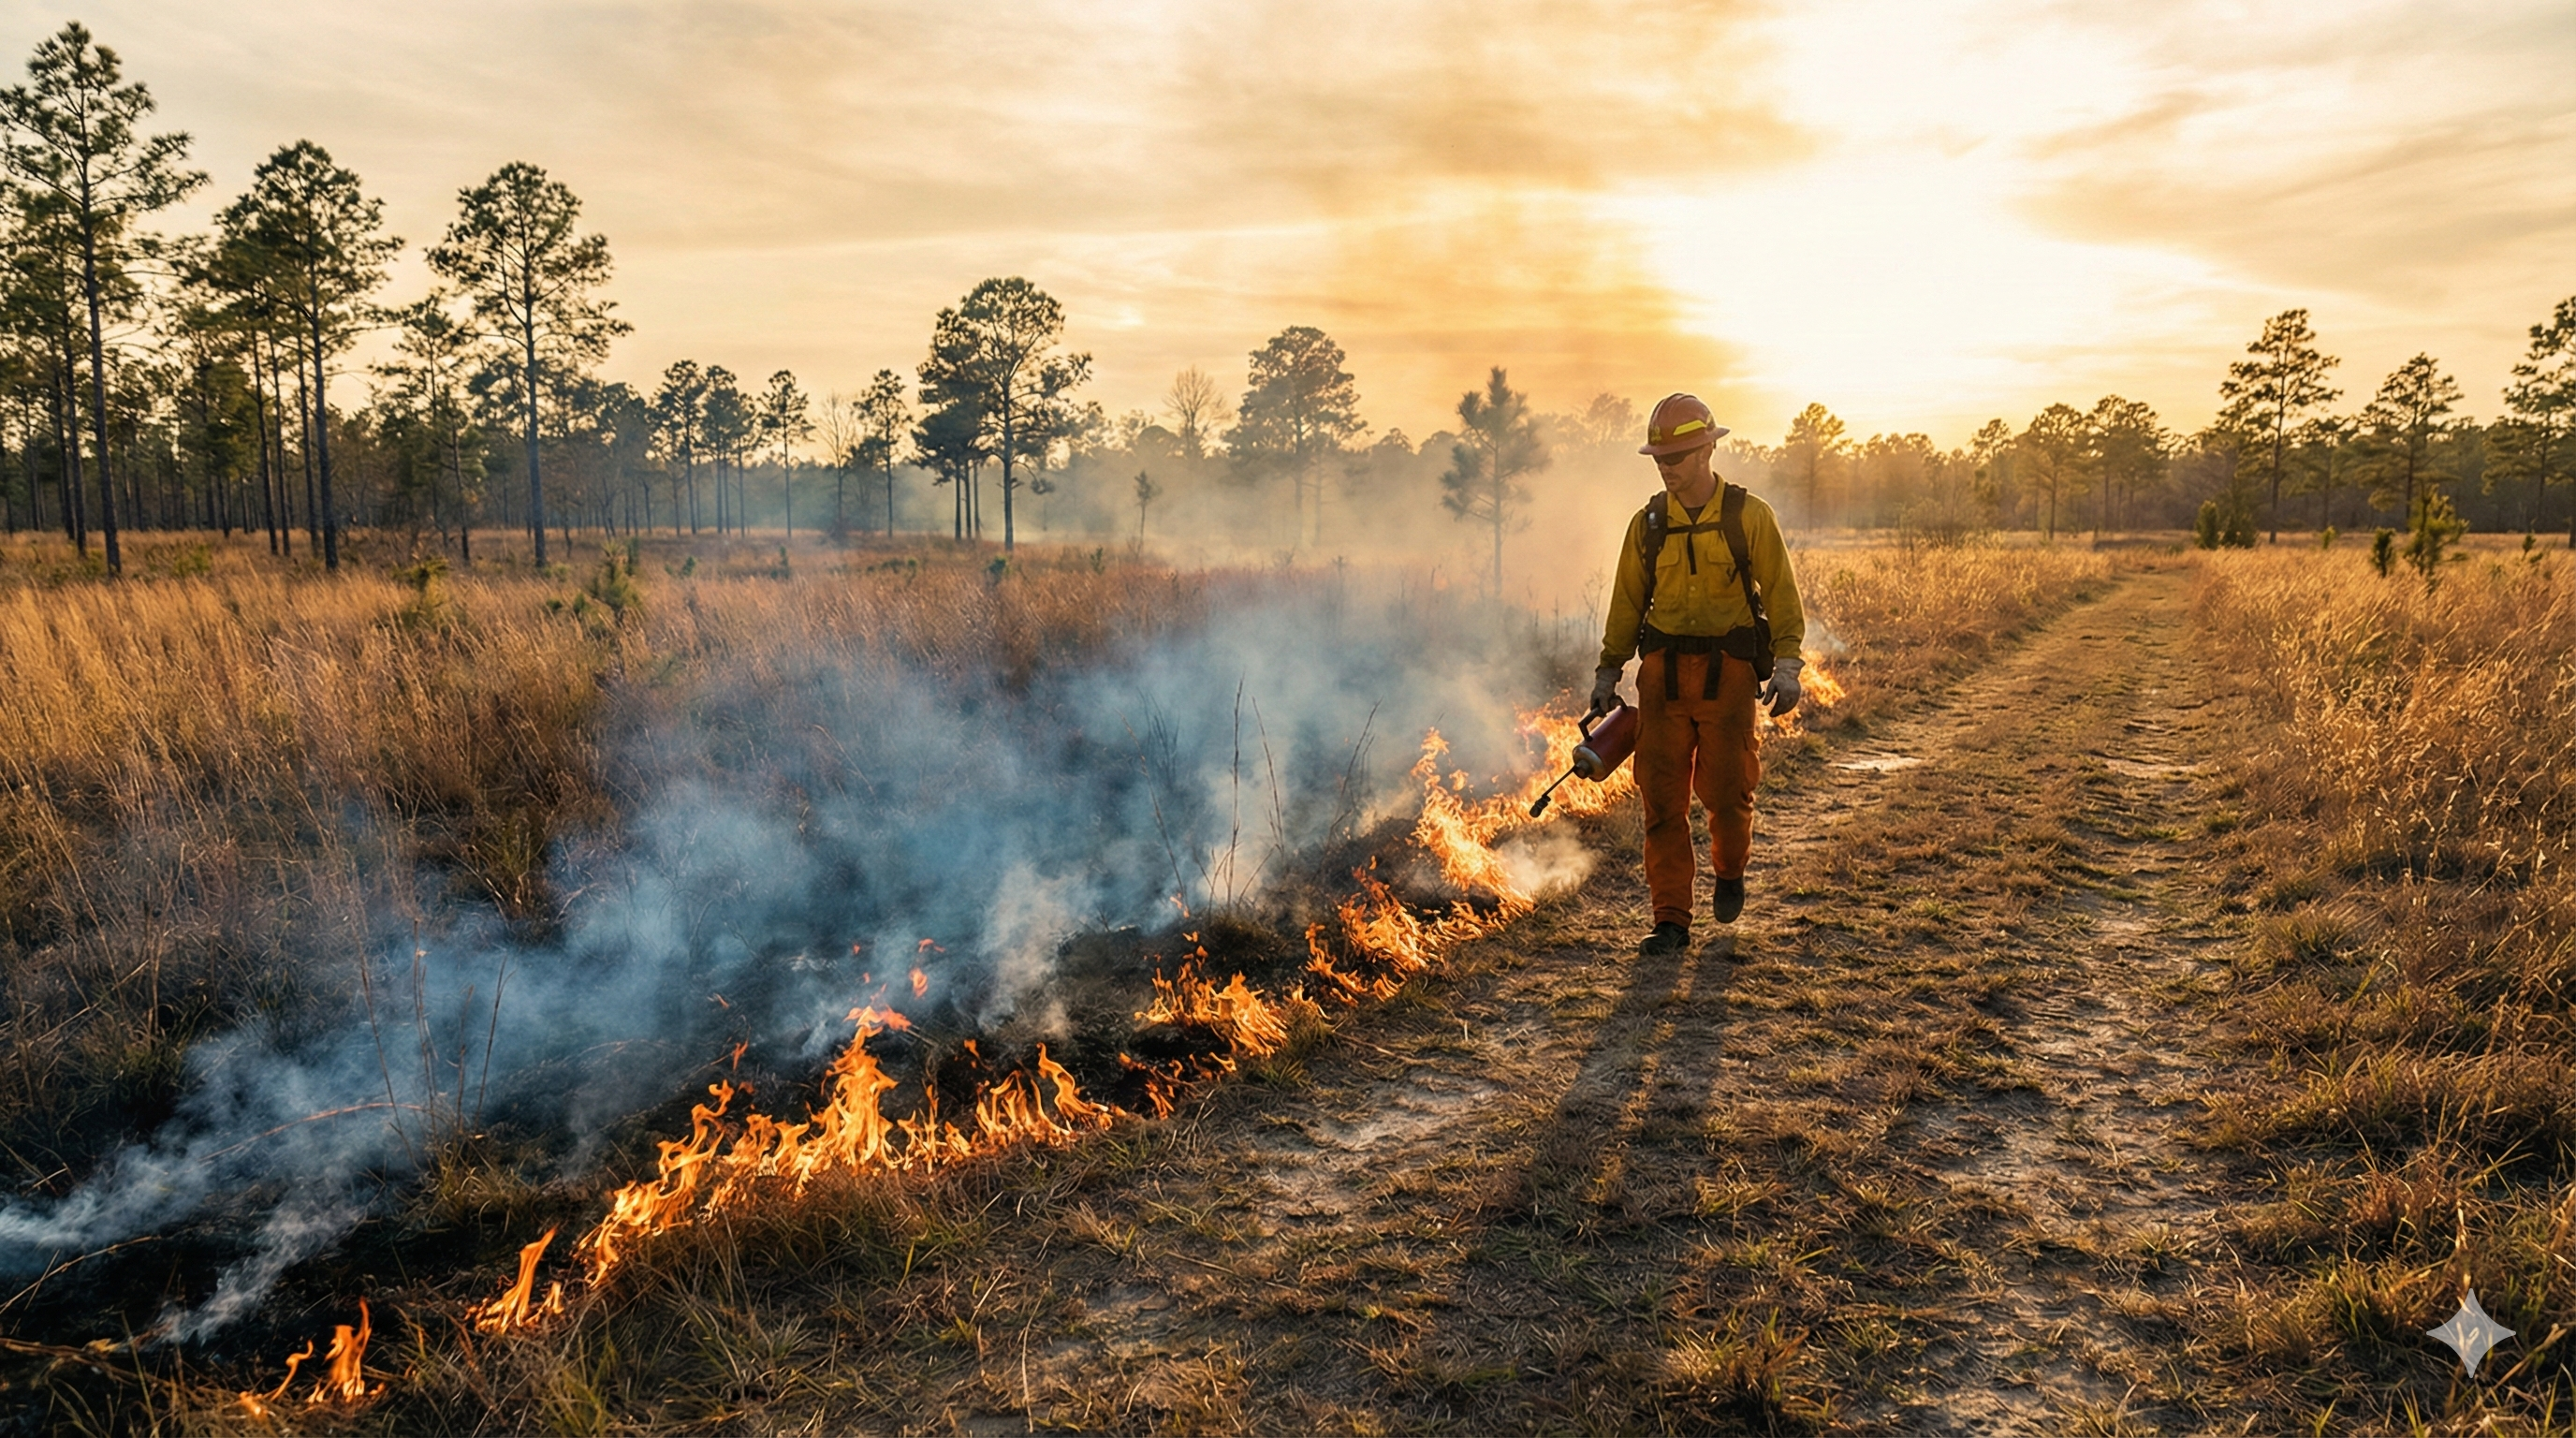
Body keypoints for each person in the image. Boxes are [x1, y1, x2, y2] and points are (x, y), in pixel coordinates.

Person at [1589, 393, 1806, 955]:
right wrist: (1607, 671)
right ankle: (1670, 921)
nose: (1668, 468)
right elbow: (1625, 603)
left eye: (1679, 457)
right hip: (1660, 679)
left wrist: (1787, 664)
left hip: (1728, 677)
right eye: (1661, 459)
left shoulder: (1747, 516)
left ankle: (1730, 871)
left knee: (1729, 796)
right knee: (1661, 802)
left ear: (1709, 449)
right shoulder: (1648, 525)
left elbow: (1781, 593)